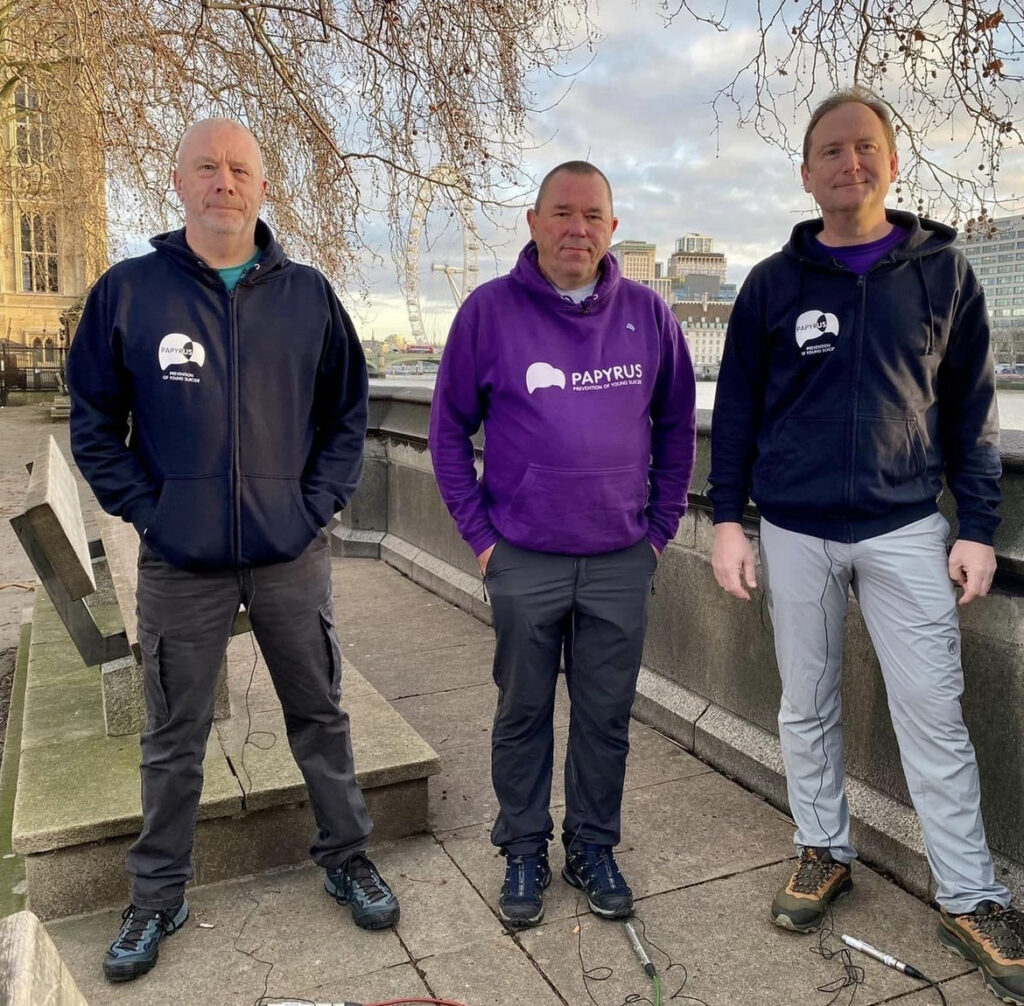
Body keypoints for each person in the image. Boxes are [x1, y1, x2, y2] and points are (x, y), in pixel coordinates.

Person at [709, 88, 1023, 1004]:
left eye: (866, 148)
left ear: (891, 162)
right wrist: (727, 518)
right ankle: (822, 851)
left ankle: (968, 896)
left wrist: (979, 529)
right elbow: (733, 416)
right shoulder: (772, 284)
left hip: (904, 530)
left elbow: (971, 414)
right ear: (806, 174)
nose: (850, 163)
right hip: (797, 528)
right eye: (832, 151)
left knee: (935, 716)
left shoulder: (945, 274)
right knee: (805, 706)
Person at [67, 118, 399, 983]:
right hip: (182, 562)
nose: (225, 181)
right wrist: (153, 514)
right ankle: (157, 894)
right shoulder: (130, 292)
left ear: (261, 185)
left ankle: (346, 856)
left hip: (291, 555)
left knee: (318, 713)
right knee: (173, 732)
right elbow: (96, 426)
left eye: (240, 168)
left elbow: (347, 419)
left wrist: (314, 506)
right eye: (207, 167)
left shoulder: (309, 295)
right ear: (178, 181)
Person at [428, 161, 696, 928]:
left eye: (592, 216)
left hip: (619, 558)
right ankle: (522, 849)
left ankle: (592, 845)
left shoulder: (650, 315)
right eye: (561, 213)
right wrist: (483, 542)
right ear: (535, 222)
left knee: (607, 715)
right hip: (524, 558)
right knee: (522, 710)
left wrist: (657, 534)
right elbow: (447, 434)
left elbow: (678, 432)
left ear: (612, 228)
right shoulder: (488, 313)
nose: (576, 229)